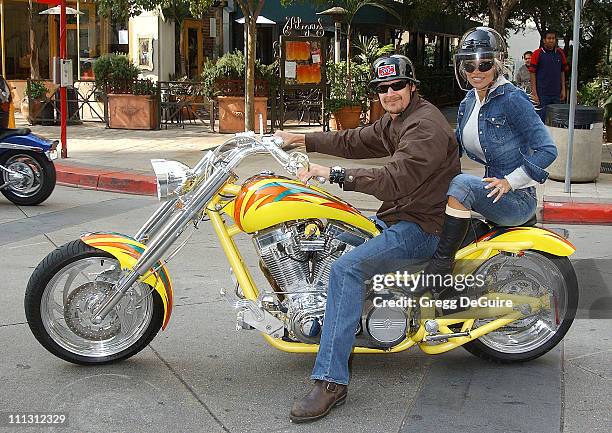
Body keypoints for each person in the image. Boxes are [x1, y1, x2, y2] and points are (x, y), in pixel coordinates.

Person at [275, 54, 461, 423]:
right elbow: (354, 139)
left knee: (345, 270)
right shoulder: (398, 119)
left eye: (396, 86)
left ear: (411, 87)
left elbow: (396, 179)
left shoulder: (424, 126)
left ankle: (331, 381)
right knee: (334, 234)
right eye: (382, 88)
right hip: (401, 214)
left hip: (421, 226)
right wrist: (298, 138)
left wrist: (333, 173)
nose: (389, 93)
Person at [417, 27, 558, 298]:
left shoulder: (512, 99)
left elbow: (547, 149)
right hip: (490, 194)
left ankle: (440, 270)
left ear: (497, 64)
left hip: (516, 199)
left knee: (463, 185)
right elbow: (452, 148)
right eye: (469, 64)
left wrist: (510, 181)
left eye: (484, 63)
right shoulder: (469, 101)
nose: (476, 71)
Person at [529, 30, 569, 122]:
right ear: (544, 40)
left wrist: (563, 89)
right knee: (541, 120)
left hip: (556, 93)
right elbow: (532, 73)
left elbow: (562, 71)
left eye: (553, 38)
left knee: (557, 121)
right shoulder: (537, 53)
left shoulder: (560, 53)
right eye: (549, 38)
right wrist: (534, 92)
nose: (551, 40)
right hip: (542, 93)